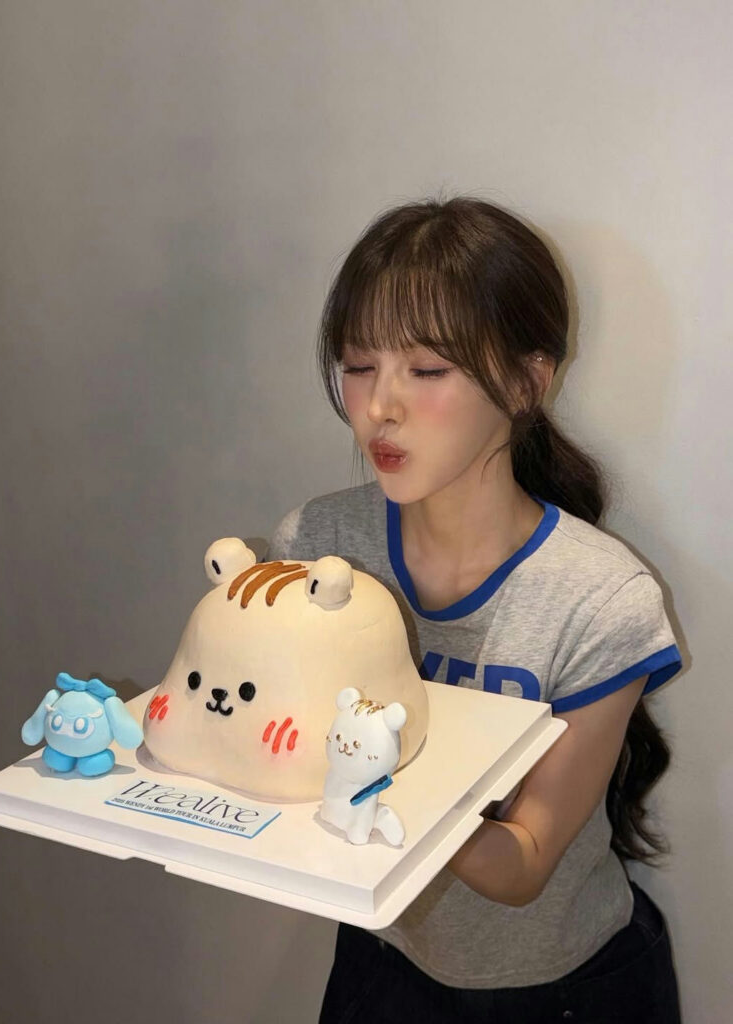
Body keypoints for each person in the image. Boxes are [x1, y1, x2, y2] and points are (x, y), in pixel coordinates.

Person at [266, 197, 683, 1023]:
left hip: (562, 989)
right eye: (358, 365)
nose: (379, 407)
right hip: (383, 956)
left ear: (528, 381)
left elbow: (521, 867)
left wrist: (367, 779)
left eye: (427, 371)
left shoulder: (599, 599)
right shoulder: (318, 545)